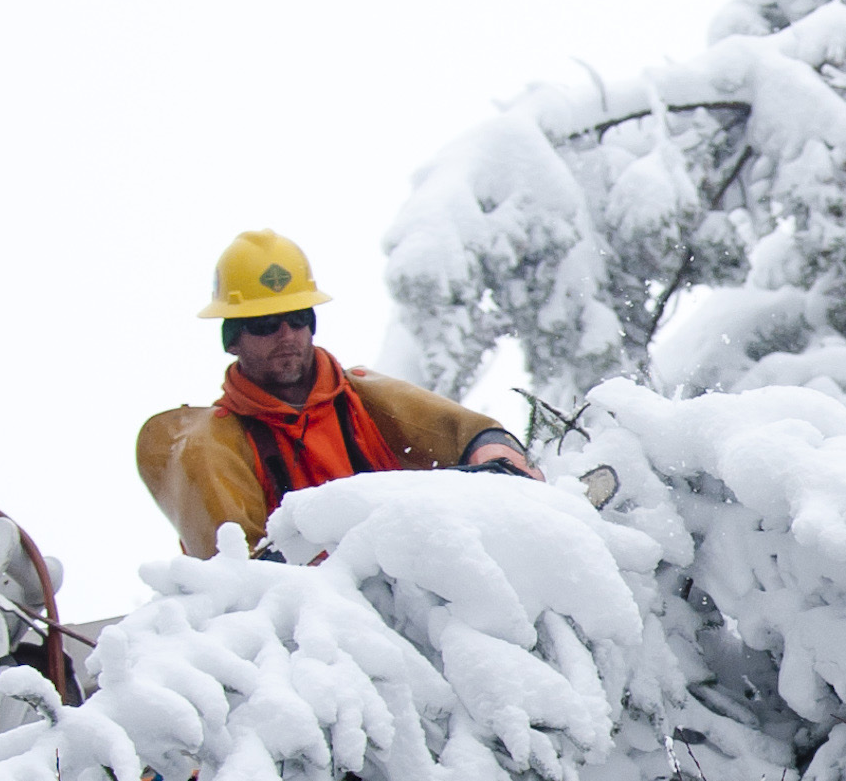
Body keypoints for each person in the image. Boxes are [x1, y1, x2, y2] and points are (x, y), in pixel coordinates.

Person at [137, 230, 543, 558]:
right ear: (232, 340)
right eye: (265, 325)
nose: (287, 337)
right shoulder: (217, 441)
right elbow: (239, 569)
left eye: (298, 319)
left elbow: (466, 433)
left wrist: (498, 457)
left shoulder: (364, 398)